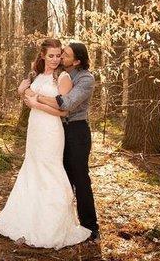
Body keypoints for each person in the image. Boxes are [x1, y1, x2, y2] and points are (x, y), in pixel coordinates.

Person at [0, 39, 91, 249]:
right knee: (33, 168)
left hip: (52, 129)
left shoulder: (63, 77)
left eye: (59, 55)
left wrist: (36, 102)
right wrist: (22, 92)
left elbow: (63, 109)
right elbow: (29, 94)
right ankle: (27, 217)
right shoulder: (36, 75)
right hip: (35, 128)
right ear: (43, 55)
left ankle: (53, 224)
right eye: (51, 55)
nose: (56, 59)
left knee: (50, 170)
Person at [24, 42, 100, 242]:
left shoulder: (86, 78)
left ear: (76, 60)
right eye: (58, 54)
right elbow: (33, 78)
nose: (60, 57)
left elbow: (66, 103)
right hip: (55, 131)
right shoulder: (59, 71)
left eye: (65, 55)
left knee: (80, 179)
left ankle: (90, 227)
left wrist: (37, 98)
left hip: (76, 131)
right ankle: (59, 222)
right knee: (59, 177)